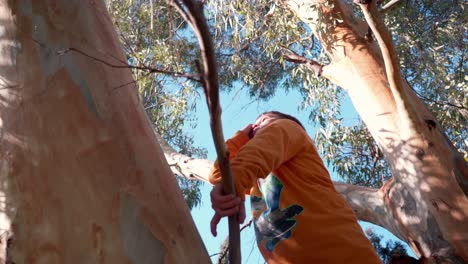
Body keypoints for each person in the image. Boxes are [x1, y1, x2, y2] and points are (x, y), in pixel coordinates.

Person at [208, 111, 381, 263]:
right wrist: (240, 140)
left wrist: (235, 178)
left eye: (264, 120)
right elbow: (217, 176)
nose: (255, 126)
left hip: (345, 255)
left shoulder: (289, 127)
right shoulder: (256, 180)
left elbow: (259, 152)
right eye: (254, 124)